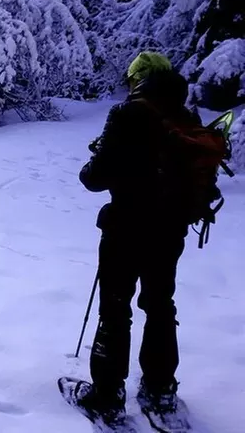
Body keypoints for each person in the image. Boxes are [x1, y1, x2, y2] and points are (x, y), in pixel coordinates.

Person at [58, 52, 218, 429]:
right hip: (171, 230)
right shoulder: (185, 115)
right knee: (160, 304)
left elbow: (94, 178)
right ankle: (161, 390)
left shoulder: (126, 115)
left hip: (127, 229)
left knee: (116, 309)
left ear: (137, 80)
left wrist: (95, 158)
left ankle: (107, 396)